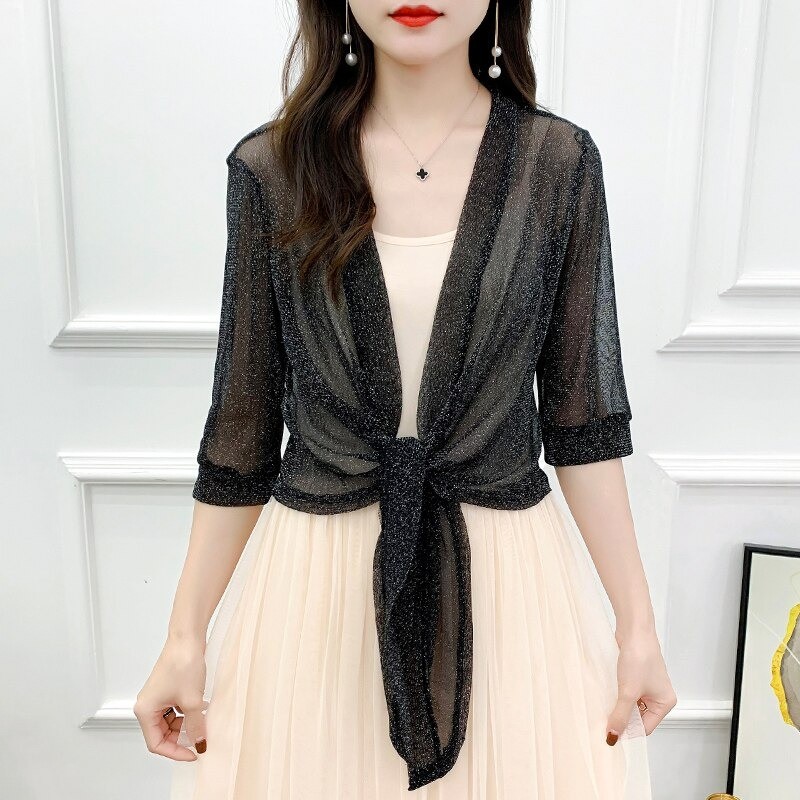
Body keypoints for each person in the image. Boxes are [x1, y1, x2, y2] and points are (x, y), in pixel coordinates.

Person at [135, 1, 677, 797]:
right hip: (315, 593)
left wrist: (637, 624)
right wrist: (185, 635)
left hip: (507, 592)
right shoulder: (272, 170)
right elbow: (241, 434)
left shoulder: (558, 165)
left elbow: (583, 424)